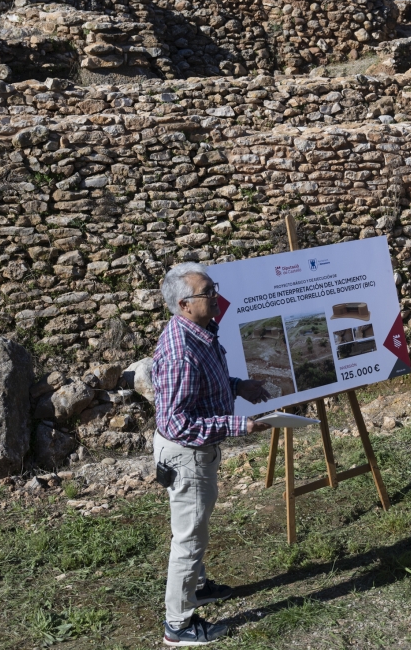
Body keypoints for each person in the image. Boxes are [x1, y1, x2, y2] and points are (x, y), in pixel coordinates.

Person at [152, 262, 271, 647]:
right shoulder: (181, 351)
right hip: (187, 455)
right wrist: (240, 426)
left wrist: (237, 387)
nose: (216, 295)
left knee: (196, 526)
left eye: (213, 287)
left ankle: (198, 587)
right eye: (207, 292)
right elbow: (175, 423)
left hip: (196, 454)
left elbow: (203, 386)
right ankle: (178, 625)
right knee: (188, 539)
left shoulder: (200, 332)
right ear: (185, 304)